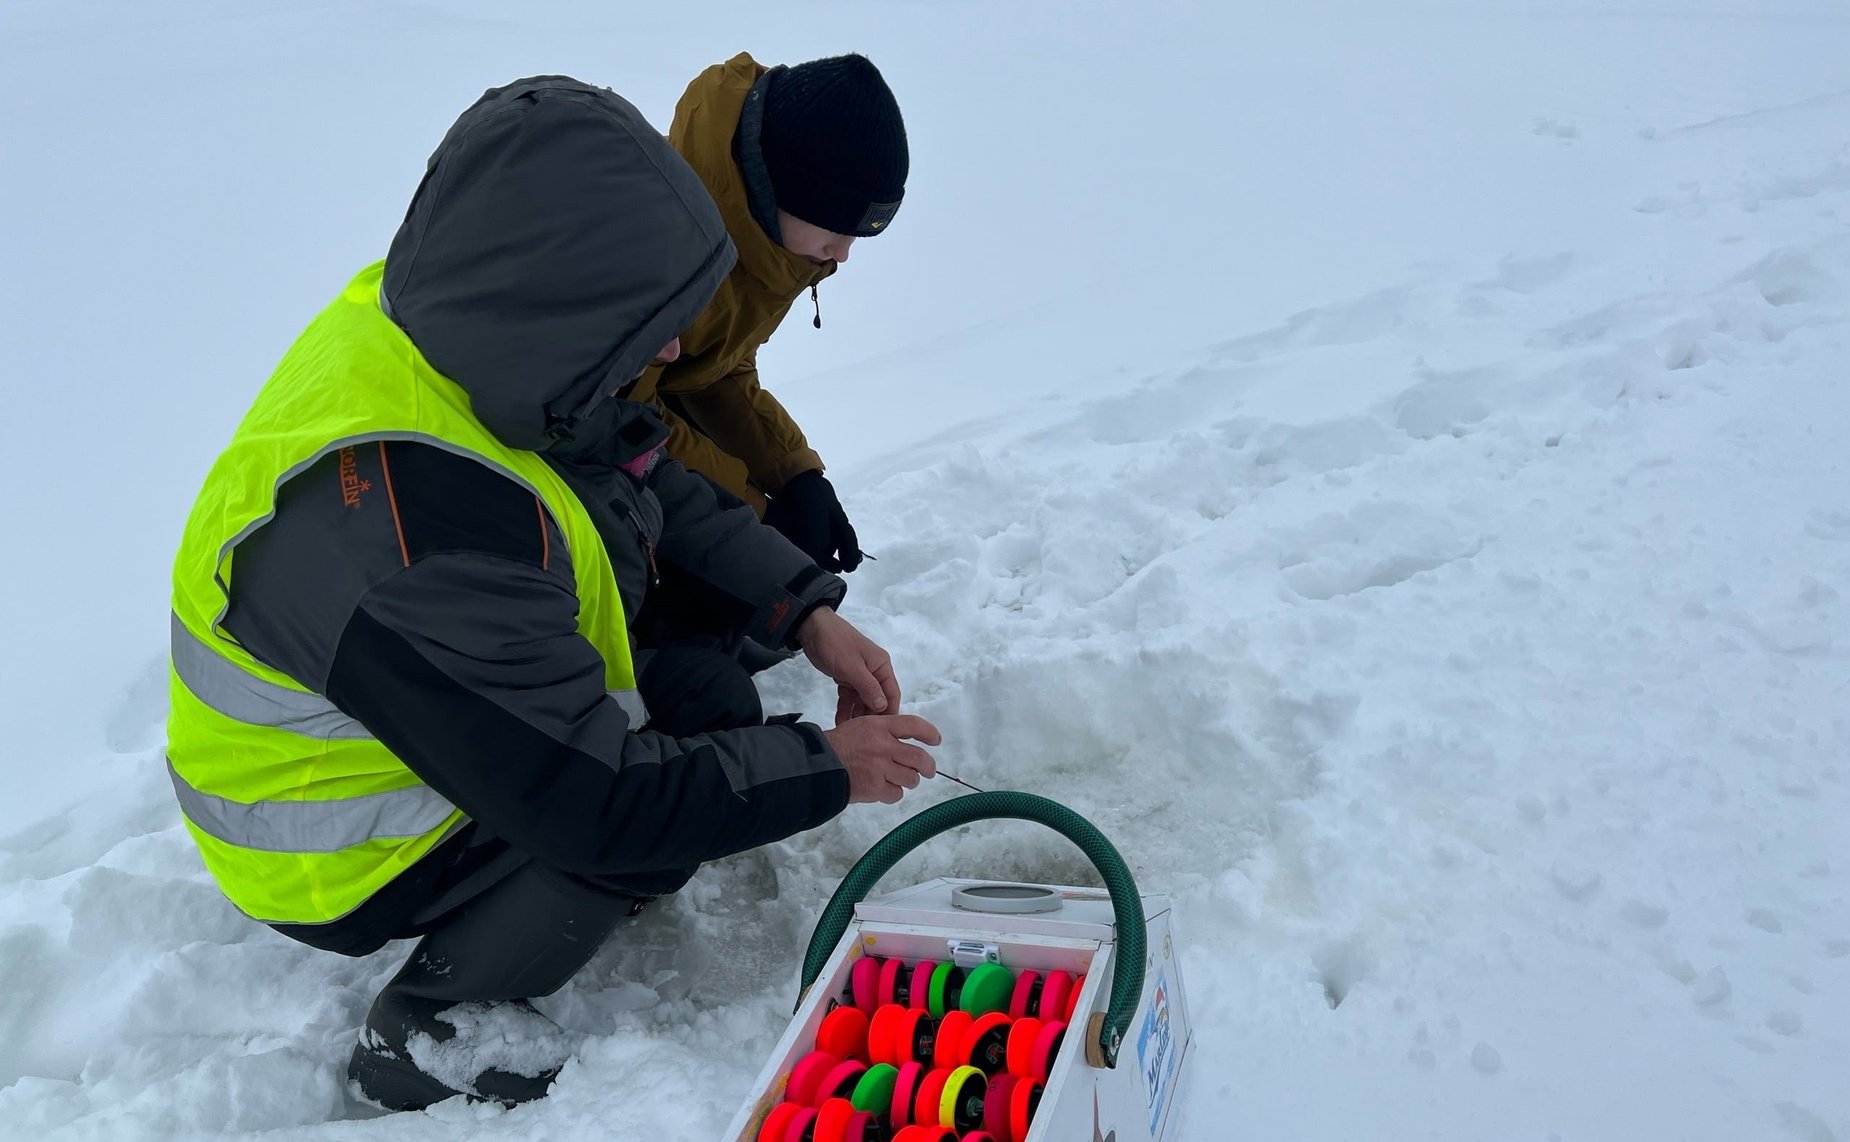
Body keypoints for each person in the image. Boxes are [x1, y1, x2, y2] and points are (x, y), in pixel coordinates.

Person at [164, 75, 941, 1113]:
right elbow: (601, 801)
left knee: (707, 708)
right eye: (652, 326)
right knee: (633, 824)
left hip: (402, 717)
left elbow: (647, 467)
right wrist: (824, 767)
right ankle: (428, 1024)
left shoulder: (466, 338)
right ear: (569, 299)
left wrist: (805, 608)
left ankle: (535, 888)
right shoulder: (414, 531)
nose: (670, 351)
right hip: (325, 835)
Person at [626, 51, 909, 576]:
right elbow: (626, 420)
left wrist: (794, 474)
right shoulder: (657, 251)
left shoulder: (763, 246)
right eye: (835, 228)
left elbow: (715, 369)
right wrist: (755, 514)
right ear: (775, 186)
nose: (842, 253)